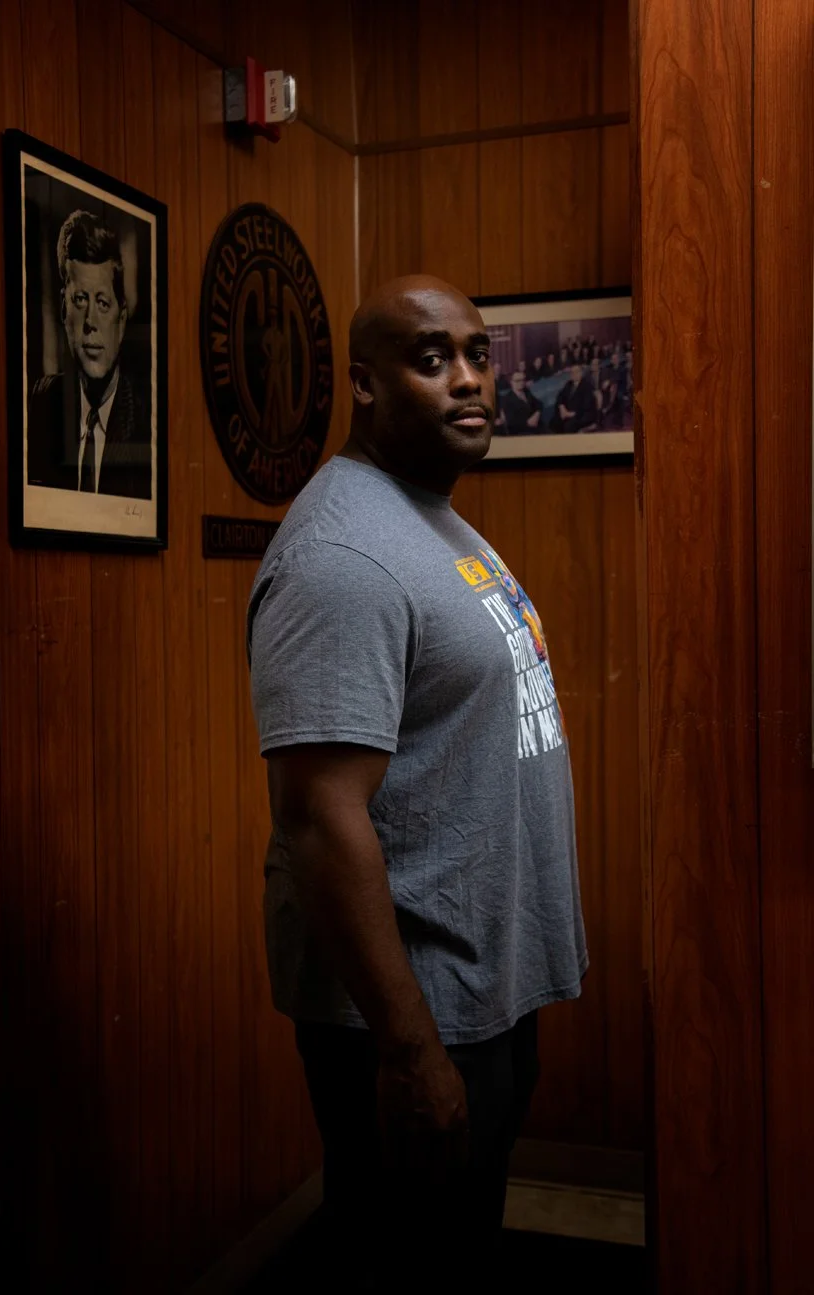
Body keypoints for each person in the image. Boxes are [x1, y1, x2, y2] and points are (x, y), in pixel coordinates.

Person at [246, 274, 588, 1291]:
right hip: (414, 1015)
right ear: (363, 383)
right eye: (431, 359)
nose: (470, 381)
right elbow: (317, 819)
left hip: (479, 991)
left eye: (479, 354)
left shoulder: (428, 514)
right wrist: (408, 1050)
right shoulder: (343, 554)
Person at [27, 209, 151, 499]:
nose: (91, 322)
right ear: (63, 309)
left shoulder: (146, 420)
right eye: (80, 300)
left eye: (103, 303)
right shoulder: (43, 402)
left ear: (121, 321)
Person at [551, 362, 598, 432]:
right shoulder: (568, 384)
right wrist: (562, 408)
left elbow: (586, 406)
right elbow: (560, 396)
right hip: (567, 412)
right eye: (572, 372)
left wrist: (569, 414)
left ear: (581, 373)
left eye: (576, 372)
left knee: (568, 426)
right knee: (553, 423)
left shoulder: (587, 386)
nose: (574, 374)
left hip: (580, 414)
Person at [499, 368, 544, 433]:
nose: (522, 383)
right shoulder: (506, 399)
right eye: (518, 380)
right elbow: (511, 422)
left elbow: (539, 404)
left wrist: (537, 414)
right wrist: (527, 423)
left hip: (537, 426)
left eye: (523, 380)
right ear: (511, 382)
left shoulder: (526, 392)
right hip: (521, 432)